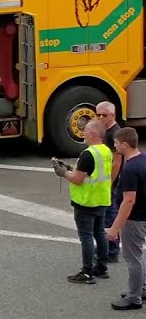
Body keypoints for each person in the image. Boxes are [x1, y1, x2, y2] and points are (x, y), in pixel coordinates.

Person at [53, 119, 112, 283]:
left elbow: (78, 179)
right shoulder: (105, 151)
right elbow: (91, 172)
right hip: (102, 199)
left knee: (86, 237)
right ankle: (102, 268)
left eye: (85, 131)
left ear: (92, 134)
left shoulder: (88, 154)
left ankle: (87, 272)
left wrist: (62, 172)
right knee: (100, 234)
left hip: (86, 201)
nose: (83, 133)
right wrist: (70, 167)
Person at [107, 127, 146, 310]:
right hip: (143, 215)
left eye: (115, 143)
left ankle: (134, 297)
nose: (114, 146)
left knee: (133, 258)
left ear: (124, 144)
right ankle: (141, 288)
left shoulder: (130, 168)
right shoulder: (143, 160)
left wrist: (115, 228)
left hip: (134, 219)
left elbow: (129, 200)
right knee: (139, 256)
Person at [97, 102, 123, 262]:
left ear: (112, 115)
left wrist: (109, 183)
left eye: (104, 115)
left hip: (112, 182)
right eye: (98, 114)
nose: (100, 117)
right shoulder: (106, 131)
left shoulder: (115, 133)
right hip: (107, 182)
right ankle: (106, 247)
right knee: (106, 214)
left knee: (110, 214)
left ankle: (112, 250)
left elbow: (116, 162)